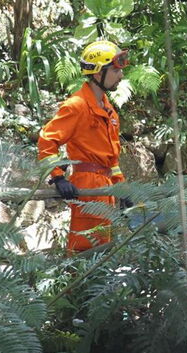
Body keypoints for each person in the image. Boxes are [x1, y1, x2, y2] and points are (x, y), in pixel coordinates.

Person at [38, 40, 130, 252]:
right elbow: (47, 140)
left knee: (102, 251)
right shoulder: (77, 106)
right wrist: (58, 177)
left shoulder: (108, 111)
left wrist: (123, 188)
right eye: (115, 70)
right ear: (98, 73)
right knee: (84, 251)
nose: (121, 75)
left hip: (105, 186)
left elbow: (111, 160)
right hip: (88, 186)